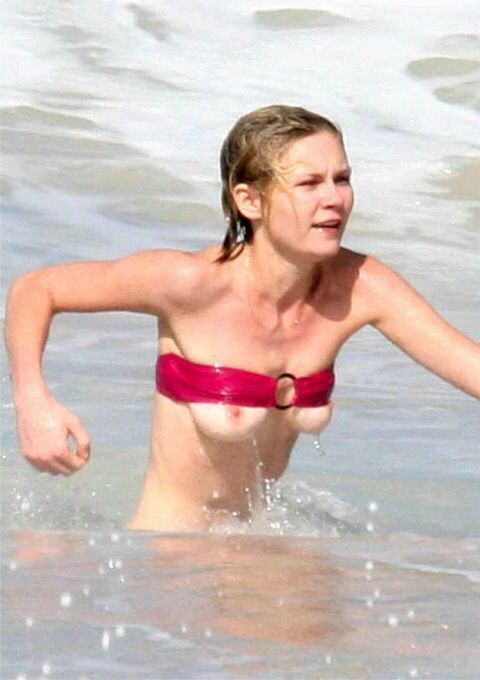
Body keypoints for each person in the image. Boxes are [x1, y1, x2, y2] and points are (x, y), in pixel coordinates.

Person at [5, 105, 480, 532]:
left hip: (263, 542)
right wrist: (34, 402)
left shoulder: (360, 285)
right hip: (172, 561)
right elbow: (36, 289)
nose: (335, 199)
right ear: (249, 200)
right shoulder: (190, 284)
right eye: (309, 184)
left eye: (342, 179)